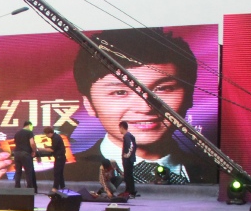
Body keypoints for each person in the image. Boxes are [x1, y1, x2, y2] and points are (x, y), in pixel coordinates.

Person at [65, 28, 203, 184]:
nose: (145, 107)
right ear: (89, 104)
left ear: (190, 96)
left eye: (163, 88)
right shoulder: (61, 177)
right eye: (120, 92)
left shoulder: (213, 172)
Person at [35, 126, 67, 193]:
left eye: (46, 134)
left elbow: (52, 150)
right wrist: (47, 147)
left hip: (59, 157)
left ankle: (55, 188)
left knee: (57, 173)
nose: (46, 136)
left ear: (49, 133)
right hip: (60, 157)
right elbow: (55, 147)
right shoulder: (55, 137)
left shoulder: (55, 138)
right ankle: (62, 187)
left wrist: (42, 149)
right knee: (60, 173)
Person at [12, 120, 37, 190]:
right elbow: (32, 143)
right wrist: (34, 151)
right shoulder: (29, 132)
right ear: (29, 125)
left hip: (16, 153)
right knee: (28, 171)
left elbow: (15, 143)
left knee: (18, 171)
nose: (32, 128)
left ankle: (17, 188)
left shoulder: (17, 133)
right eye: (32, 127)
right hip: (25, 154)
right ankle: (29, 189)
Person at [119, 121, 137, 197]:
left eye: (119, 128)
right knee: (127, 176)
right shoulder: (129, 136)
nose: (119, 130)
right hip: (129, 159)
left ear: (122, 127)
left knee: (128, 176)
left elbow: (131, 145)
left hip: (128, 160)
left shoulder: (127, 136)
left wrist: (127, 155)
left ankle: (131, 191)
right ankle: (128, 190)